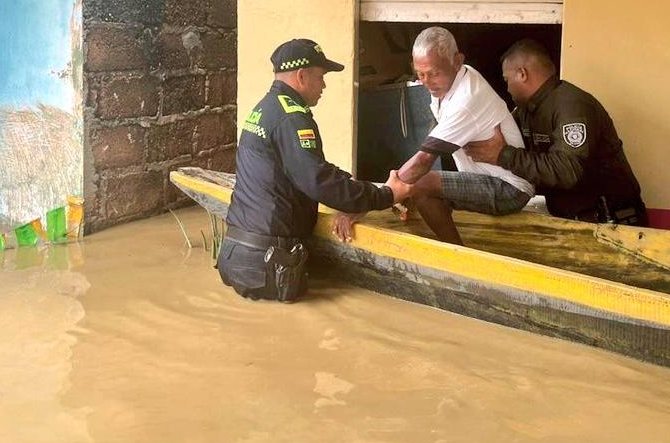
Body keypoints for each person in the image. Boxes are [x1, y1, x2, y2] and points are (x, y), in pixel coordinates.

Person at [219, 39, 412, 302]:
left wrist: (351, 194)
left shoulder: (263, 110)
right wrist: (386, 194)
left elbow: (313, 173)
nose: (323, 85)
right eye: (321, 77)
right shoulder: (293, 118)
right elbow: (318, 181)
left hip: (237, 254)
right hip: (269, 265)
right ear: (301, 75)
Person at [333, 27, 535, 245]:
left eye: (434, 73)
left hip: (509, 189)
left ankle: (456, 256)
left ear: (457, 61)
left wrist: (367, 203)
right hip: (485, 179)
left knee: (419, 182)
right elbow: (427, 148)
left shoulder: (467, 99)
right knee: (411, 185)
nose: (427, 82)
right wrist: (399, 190)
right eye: (420, 74)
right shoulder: (452, 82)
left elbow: (423, 161)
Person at [463, 39, 647, 225]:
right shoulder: (526, 111)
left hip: (612, 223)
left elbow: (567, 171)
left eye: (506, 80)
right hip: (575, 221)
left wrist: (504, 154)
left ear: (522, 74)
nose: (508, 88)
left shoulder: (572, 105)